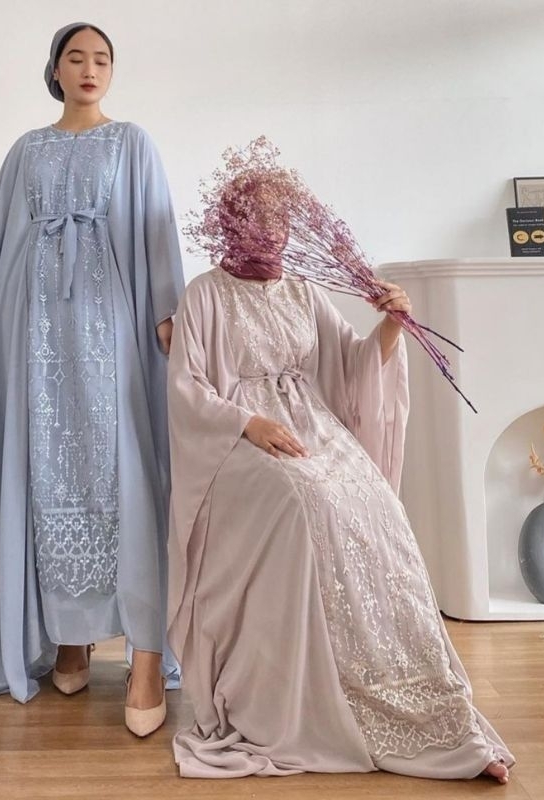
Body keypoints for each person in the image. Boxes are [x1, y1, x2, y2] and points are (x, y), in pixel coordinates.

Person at [166, 174, 514, 780]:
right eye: (259, 217)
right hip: (237, 439)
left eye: (281, 218)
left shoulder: (303, 291)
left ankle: (408, 696)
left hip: (314, 428)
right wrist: (248, 422)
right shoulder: (205, 294)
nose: (272, 230)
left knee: (372, 500)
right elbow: (187, 388)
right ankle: (310, 694)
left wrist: (391, 325)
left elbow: (352, 363)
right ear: (232, 222)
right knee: (303, 499)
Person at [0, 22, 183, 735]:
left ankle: (144, 652)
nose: (90, 68)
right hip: (36, 337)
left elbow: (158, 232)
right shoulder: (27, 150)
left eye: (102, 59)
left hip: (111, 333)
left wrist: (170, 311)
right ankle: (70, 637)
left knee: (122, 473)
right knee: (48, 474)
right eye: (75, 58)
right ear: (54, 70)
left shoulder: (133, 143)